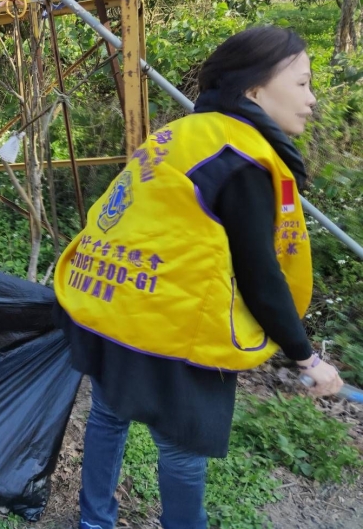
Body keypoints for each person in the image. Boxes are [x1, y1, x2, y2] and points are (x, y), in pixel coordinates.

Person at [54, 26, 344, 529]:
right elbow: (260, 273)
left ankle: (94, 521)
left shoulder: (181, 133)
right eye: (302, 83)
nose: (311, 98)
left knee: (107, 415)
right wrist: (306, 356)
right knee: (181, 450)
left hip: (108, 304)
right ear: (254, 89)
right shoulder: (242, 158)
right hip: (172, 325)